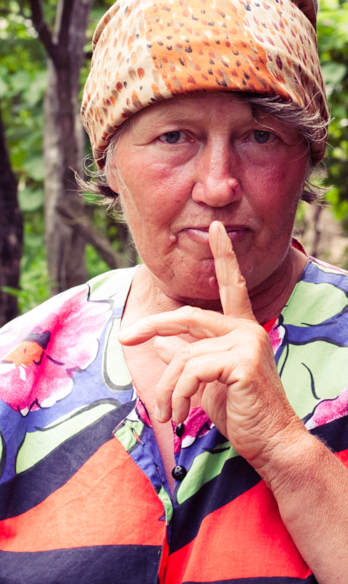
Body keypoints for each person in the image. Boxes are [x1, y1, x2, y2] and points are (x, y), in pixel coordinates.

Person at [1, 0, 348, 583]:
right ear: (109, 162)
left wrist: (287, 451)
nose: (218, 185)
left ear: (308, 156)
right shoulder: (21, 372)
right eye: (173, 136)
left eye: (260, 136)